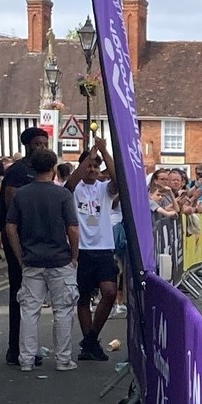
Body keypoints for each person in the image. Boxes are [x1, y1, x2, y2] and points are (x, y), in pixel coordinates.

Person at [5, 148, 80, 372]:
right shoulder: (62, 195)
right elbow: (73, 229)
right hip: (60, 260)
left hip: (31, 260)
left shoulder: (22, 194)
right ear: (54, 169)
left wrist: (20, 256)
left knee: (29, 311)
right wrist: (74, 256)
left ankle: (26, 360)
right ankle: (63, 359)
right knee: (63, 310)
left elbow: (10, 228)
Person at [0, 127, 51, 367]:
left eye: (44, 143)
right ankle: (15, 349)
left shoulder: (35, 171)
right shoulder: (19, 172)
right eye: (37, 144)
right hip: (17, 239)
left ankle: (22, 346)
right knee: (21, 292)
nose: (41, 147)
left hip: (30, 239)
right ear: (27, 145)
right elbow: (13, 209)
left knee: (28, 293)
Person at [66, 139, 120, 362]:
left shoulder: (104, 189)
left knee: (109, 293)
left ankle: (90, 339)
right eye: (89, 165)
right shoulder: (73, 189)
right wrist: (91, 153)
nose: (93, 169)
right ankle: (91, 345)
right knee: (84, 297)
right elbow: (71, 181)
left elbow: (118, 180)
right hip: (83, 250)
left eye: (96, 166)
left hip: (104, 248)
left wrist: (104, 151)